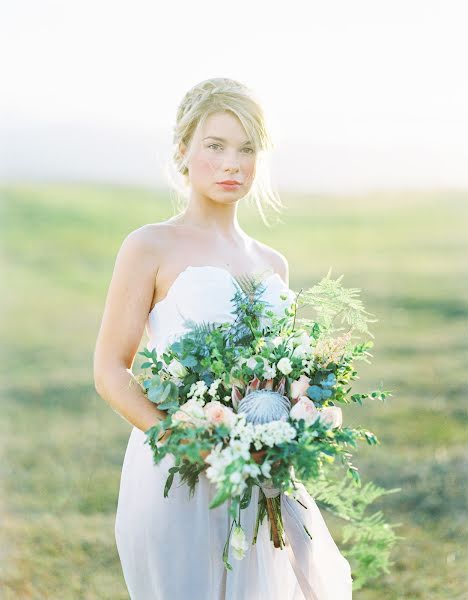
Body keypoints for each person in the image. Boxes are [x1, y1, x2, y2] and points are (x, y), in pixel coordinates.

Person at [93, 77, 353, 599]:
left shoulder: (272, 262)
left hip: (263, 472)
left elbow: (277, 375)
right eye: (215, 146)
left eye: (247, 149)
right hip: (179, 475)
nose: (232, 163)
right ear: (183, 151)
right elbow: (110, 371)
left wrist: (308, 416)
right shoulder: (150, 246)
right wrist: (183, 440)